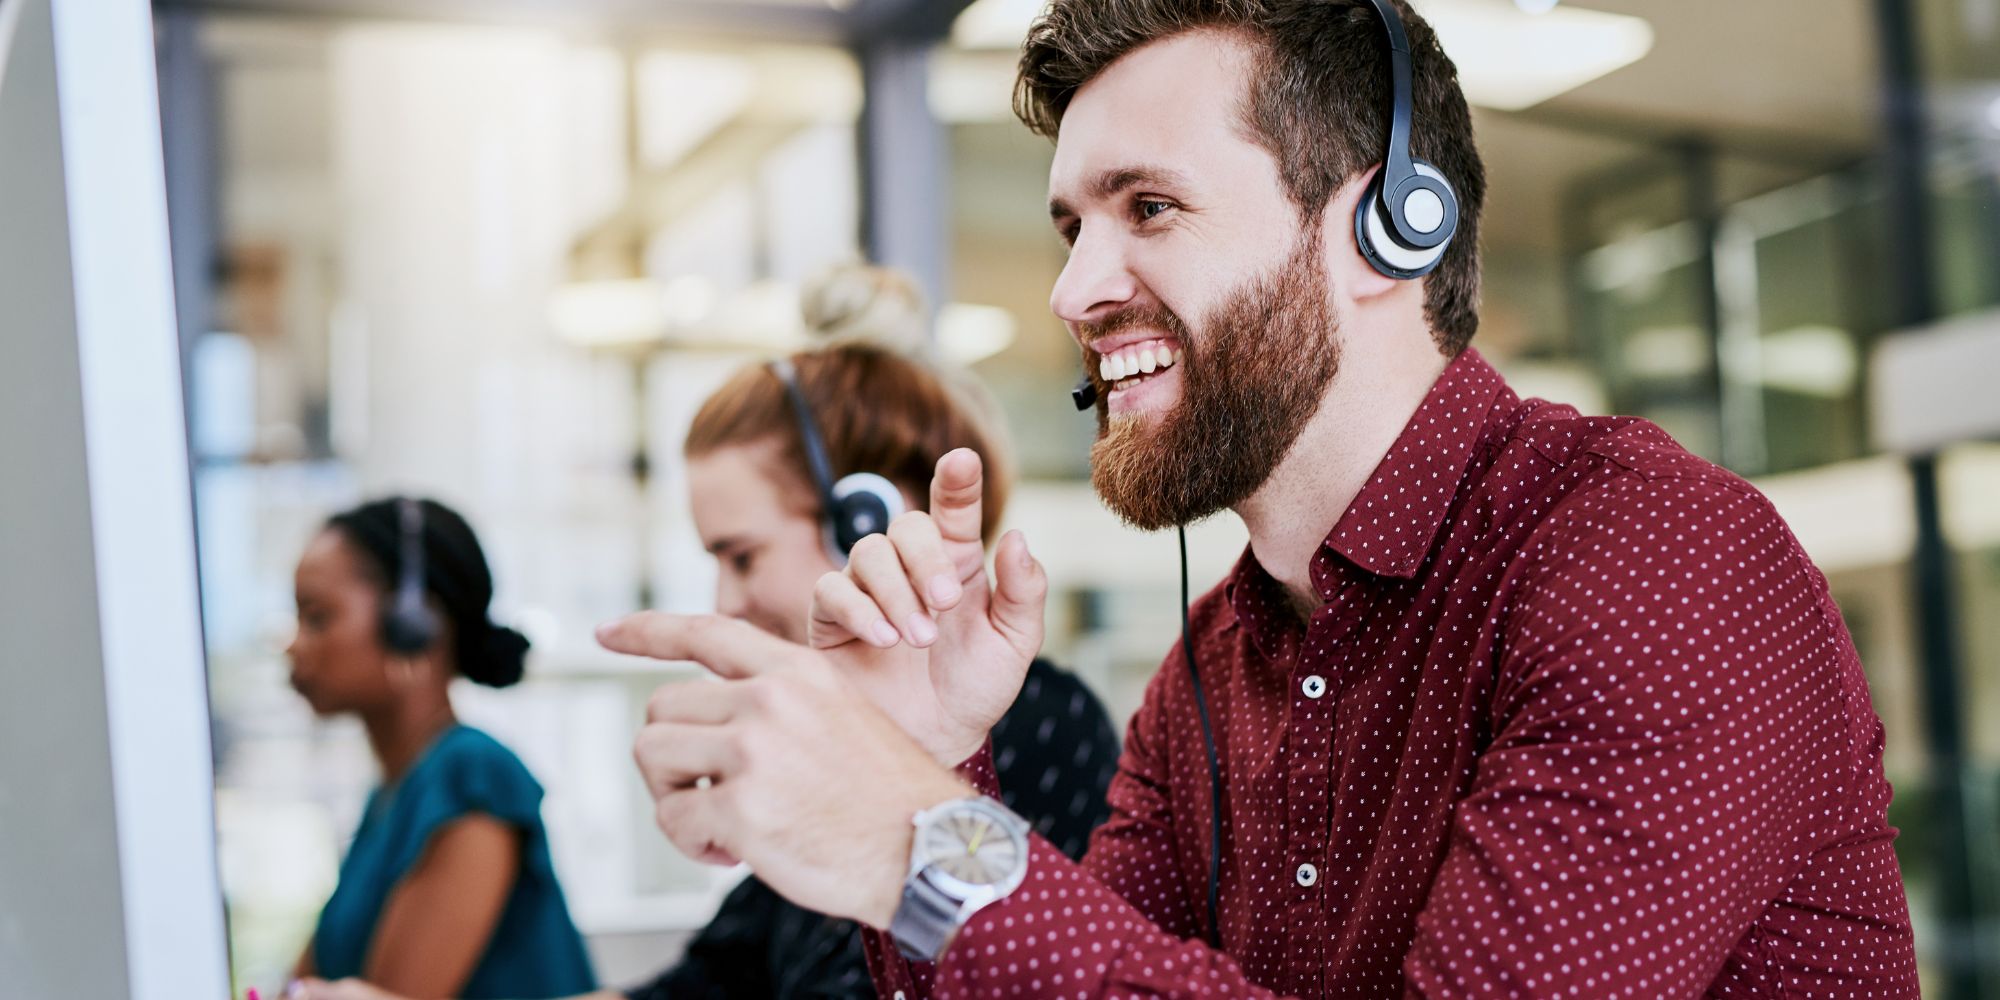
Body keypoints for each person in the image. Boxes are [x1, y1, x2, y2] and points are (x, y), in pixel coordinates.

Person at [598, 0, 1921, 995]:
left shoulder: (1649, 560)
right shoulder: (1213, 669)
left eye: (1149, 207)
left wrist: (924, 840)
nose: (1072, 292)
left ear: (1383, 232)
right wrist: (935, 767)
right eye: (1071, 226)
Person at [300, 342, 1122, 1000]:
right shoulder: (836, 748)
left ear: (866, 523)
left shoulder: (1031, 720)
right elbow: (706, 982)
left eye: (742, 555)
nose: (725, 601)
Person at [286, 498, 595, 999]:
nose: (294, 645)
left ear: (413, 624)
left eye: (318, 617)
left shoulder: (471, 775)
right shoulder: (392, 793)